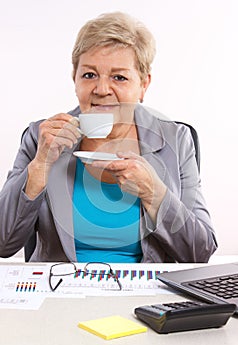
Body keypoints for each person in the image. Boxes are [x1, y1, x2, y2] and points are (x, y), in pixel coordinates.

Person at [0, 12, 217, 263]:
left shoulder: (176, 140)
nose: (102, 90)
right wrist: (39, 167)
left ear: (143, 85)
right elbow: (3, 244)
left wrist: (154, 193)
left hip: (145, 295)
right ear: (75, 79)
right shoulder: (41, 138)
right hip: (59, 290)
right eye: (89, 75)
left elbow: (200, 252)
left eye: (119, 77)